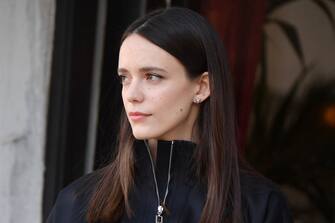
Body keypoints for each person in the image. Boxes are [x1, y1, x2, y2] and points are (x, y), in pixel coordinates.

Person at [47, 7, 292, 223]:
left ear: (202, 87)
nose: (132, 94)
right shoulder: (78, 203)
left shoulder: (259, 206)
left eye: (152, 76)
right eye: (125, 77)